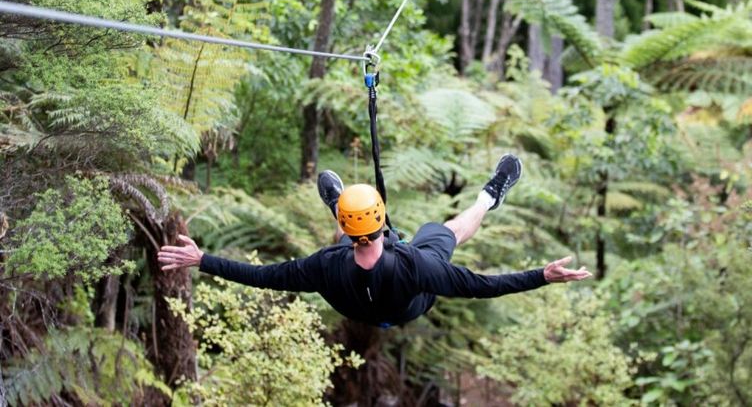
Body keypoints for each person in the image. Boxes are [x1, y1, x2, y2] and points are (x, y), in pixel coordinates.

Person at [158, 154, 592, 327]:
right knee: (445, 232)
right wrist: (543, 275)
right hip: (406, 301)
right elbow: (482, 286)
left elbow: (264, 275)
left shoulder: (324, 264)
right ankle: (488, 198)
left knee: (372, 244)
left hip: (357, 302)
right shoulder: (417, 265)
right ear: (382, 223)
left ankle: (343, 205)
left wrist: (204, 260)